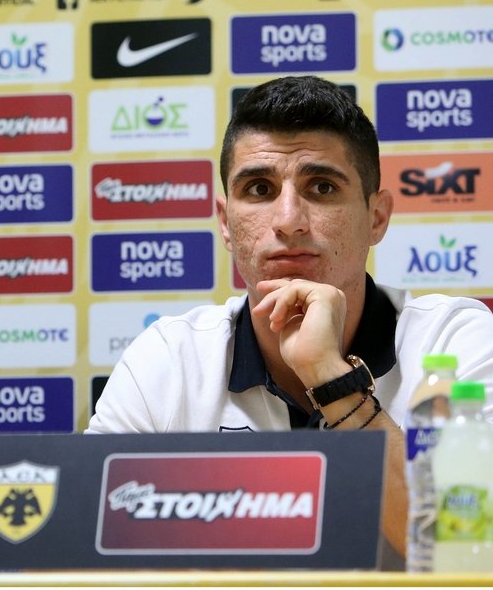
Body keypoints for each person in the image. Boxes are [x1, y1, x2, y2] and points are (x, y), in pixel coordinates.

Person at [87, 75, 493, 563]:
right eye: (259, 188)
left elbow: (469, 553)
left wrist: (330, 378)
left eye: (322, 187)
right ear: (225, 223)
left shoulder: (455, 342)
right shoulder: (168, 358)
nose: (289, 220)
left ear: (377, 217)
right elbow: (84, 545)